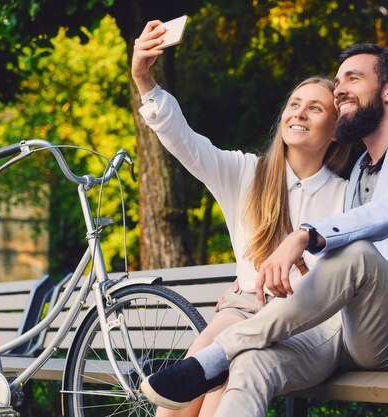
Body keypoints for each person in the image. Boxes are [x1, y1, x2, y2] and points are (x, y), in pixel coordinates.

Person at [141, 42, 388, 417]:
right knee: (249, 366)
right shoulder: (356, 173)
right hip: (318, 324)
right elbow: (187, 144)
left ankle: (217, 355)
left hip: (385, 331)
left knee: (354, 253)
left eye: (351, 80)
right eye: (337, 83)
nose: (340, 89)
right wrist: (145, 81)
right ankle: (218, 357)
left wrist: (305, 234)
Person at [131, 20, 351, 417]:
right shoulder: (245, 173)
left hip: (303, 323)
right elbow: (184, 142)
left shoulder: (346, 195)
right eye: (294, 104)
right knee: (191, 380)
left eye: (315, 108)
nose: (299, 113)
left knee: (223, 379)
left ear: (335, 131)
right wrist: (145, 80)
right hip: (242, 308)